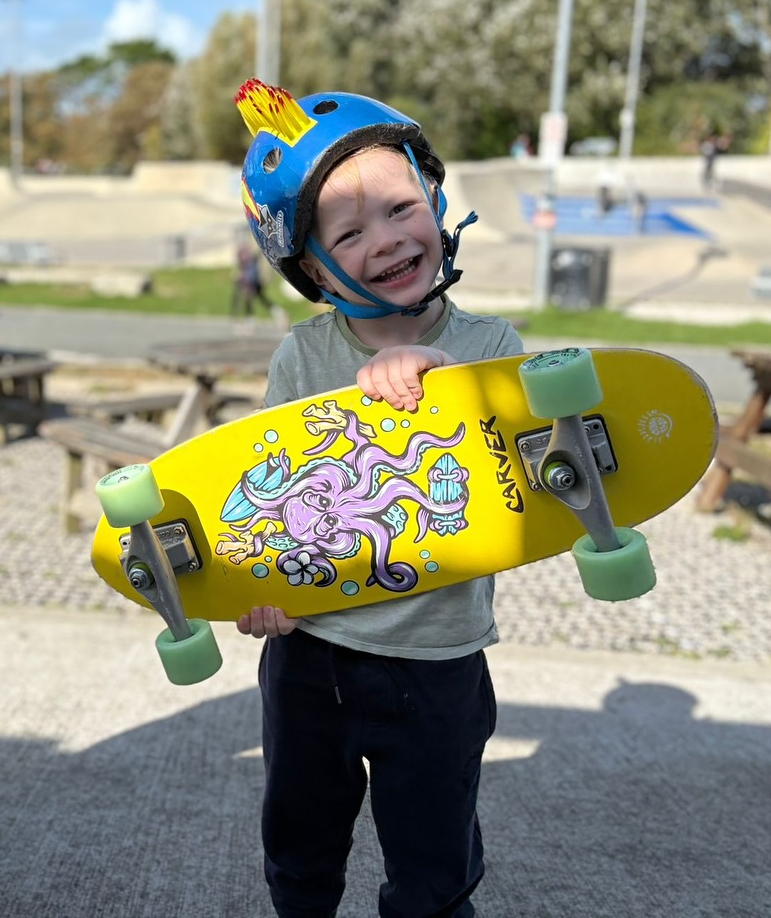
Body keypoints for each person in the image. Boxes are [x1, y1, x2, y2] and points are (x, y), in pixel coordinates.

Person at [231, 78, 524, 918]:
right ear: (312, 267)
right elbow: (267, 491)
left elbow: (511, 474)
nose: (387, 240)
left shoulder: (489, 346)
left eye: (400, 209)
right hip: (311, 656)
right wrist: (262, 583)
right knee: (299, 840)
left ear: (435, 199)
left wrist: (439, 381)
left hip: (436, 658)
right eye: (349, 232)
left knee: (434, 860)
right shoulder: (301, 355)